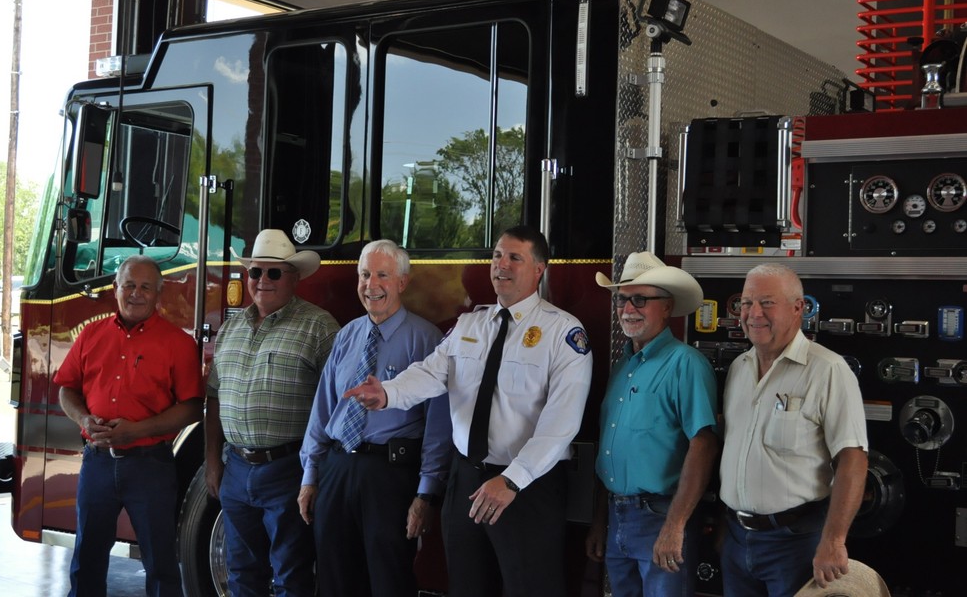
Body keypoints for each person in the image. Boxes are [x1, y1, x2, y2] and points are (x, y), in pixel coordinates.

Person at [344, 225, 593, 597]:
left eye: (514, 257)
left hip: (526, 488)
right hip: (466, 482)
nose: (501, 265)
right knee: (465, 585)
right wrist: (387, 393)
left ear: (539, 269)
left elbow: (562, 424)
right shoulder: (470, 324)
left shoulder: (563, 332)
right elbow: (431, 373)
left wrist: (512, 480)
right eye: (496, 255)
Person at [298, 239, 452, 597]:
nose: (371, 285)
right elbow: (323, 410)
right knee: (334, 579)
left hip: (390, 476)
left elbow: (438, 428)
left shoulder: (426, 341)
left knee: (389, 581)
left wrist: (426, 495)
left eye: (382, 275)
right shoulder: (346, 336)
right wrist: (310, 476)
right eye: (364, 275)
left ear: (402, 281)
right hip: (337, 469)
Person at [54, 255, 204, 597]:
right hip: (97, 463)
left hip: (150, 466)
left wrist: (136, 431)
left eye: (146, 287)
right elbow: (67, 389)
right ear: (115, 289)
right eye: (129, 285)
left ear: (159, 294)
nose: (136, 293)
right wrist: (84, 420)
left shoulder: (178, 344)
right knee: (86, 559)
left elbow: (193, 407)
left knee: (161, 564)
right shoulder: (91, 335)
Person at [204, 228, 339, 597]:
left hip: (289, 470)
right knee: (242, 574)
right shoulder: (230, 328)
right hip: (236, 470)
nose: (263, 280)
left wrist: (315, 473)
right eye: (255, 272)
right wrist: (213, 461)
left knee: (291, 575)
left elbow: (337, 403)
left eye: (274, 273)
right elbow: (214, 398)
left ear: (294, 278)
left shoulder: (320, 327)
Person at [720, 263, 868, 596]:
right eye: (746, 303)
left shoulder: (828, 369)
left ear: (798, 308)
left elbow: (853, 459)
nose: (753, 313)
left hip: (796, 544)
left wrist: (834, 541)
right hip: (736, 538)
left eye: (767, 302)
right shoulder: (739, 369)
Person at [585, 252, 719, 597]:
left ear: (667, 307)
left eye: (641, 300)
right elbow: (609, 449)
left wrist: (675, 526)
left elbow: (703, 445)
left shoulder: (686, 364)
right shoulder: (623, 366)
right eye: (623, 300)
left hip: (661, 515)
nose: (629, 309)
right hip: (618, 515)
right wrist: (600, 521)